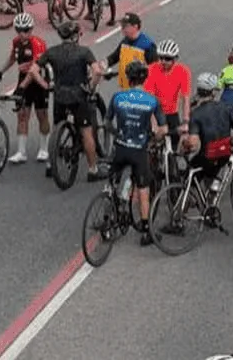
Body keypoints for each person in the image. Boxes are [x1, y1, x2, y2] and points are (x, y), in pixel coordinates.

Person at [35, 20, 106, 182]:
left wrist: (45, 85)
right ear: (75, 36)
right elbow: (96, 71)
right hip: (78, 96)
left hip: (60, 96)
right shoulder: (84, 52)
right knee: (86, 131)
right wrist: (91, 87)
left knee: (56, 128)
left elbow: (33, 70)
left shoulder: (52, 52)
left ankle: (49, 165)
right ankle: (93, 169)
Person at [106, 59, 166, 246]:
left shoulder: (117, 97)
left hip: (121, 147)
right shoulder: (152, 101)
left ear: (128, 78)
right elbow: (162, 128)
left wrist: (118, 134)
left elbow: (107, 123)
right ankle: (147, 230)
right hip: (139, 150)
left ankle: (108, 216)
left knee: (112, 182)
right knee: (143, 189)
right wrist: (154, 137)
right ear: (144, 79)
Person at [0, 13, 50, 164]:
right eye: (19, 30)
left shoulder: (38, 43)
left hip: (38, 80)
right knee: (22, 115)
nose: (22, 34)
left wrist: (22, 87)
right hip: (23, 79)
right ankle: (21, 152)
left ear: (31, 29)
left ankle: (44, 149)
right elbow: (12, 58)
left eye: (25, 30)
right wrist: (1, 71)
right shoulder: (16, 41)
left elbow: (34, 69)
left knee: (41, 114)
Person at [144, 39, 192, 136]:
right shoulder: (151, 70)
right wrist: (154, 123)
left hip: (171, 114)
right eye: (161, 58)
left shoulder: (183, 71)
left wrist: (186, 121)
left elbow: (185, 98)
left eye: (167, 58)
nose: (163, 61)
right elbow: (149, 99)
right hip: (154, 113)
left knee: (180, 141)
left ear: (175, 58)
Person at [103, 12, 157, 90]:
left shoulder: (147, 46)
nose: (122, 28)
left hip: (141, 92)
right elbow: (114, 57)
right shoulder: (124, 42)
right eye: (122, 25)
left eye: (125, 26)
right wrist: (104, 64)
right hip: (125, 89)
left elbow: (155, 71)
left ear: (135, 27)